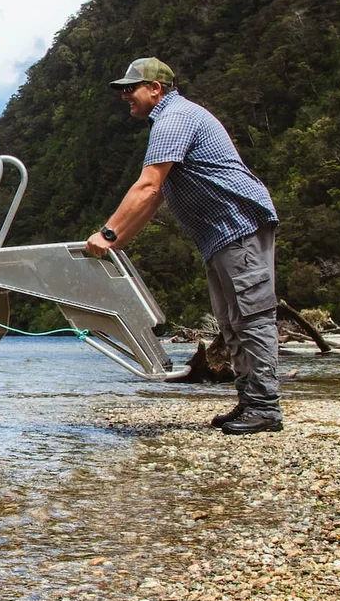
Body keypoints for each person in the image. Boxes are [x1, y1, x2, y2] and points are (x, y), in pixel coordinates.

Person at [84, 57, 282, 435]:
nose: (125, 96)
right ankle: (251, 402)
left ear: (156, 89)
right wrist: (116, 242)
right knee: (231, 322)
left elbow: (148, 187)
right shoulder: (171, 119)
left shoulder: (175, 119)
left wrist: (107, 234)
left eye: (131, 88)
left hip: (239, 228)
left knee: (251, 318)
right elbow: (154, 200)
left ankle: (265, 409)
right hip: (220, 236)